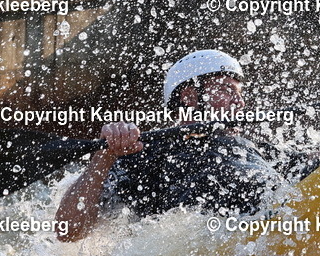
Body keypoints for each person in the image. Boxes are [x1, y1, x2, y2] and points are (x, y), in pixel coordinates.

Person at [55, 50, 288, 242]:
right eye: (227, 91)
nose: (239, 102)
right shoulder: (146, 156)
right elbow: (68, 231)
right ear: (189, 97)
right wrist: (104, 157)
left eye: (239, 93)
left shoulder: (260, 150)